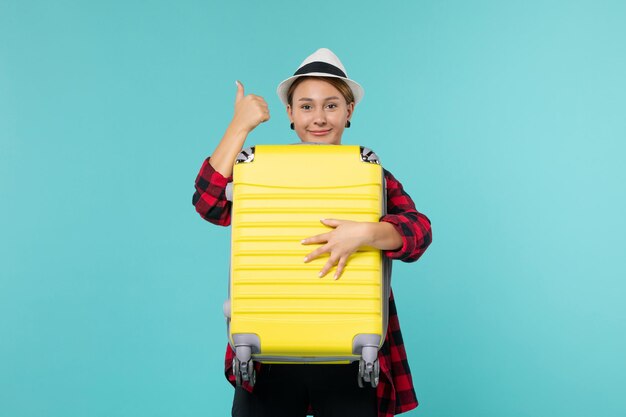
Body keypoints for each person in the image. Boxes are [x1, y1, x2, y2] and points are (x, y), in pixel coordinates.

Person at [192, 48, 432, 417]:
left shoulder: (367, 172)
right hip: (267, 352)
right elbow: (209, 202)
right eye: (306, 106)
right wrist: (238, 127)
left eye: (331, 105)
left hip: (350, 356)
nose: (318, 118)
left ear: (349, 111)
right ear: (289, 113)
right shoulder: (260, 171)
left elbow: (419, 232)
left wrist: (366, 234)